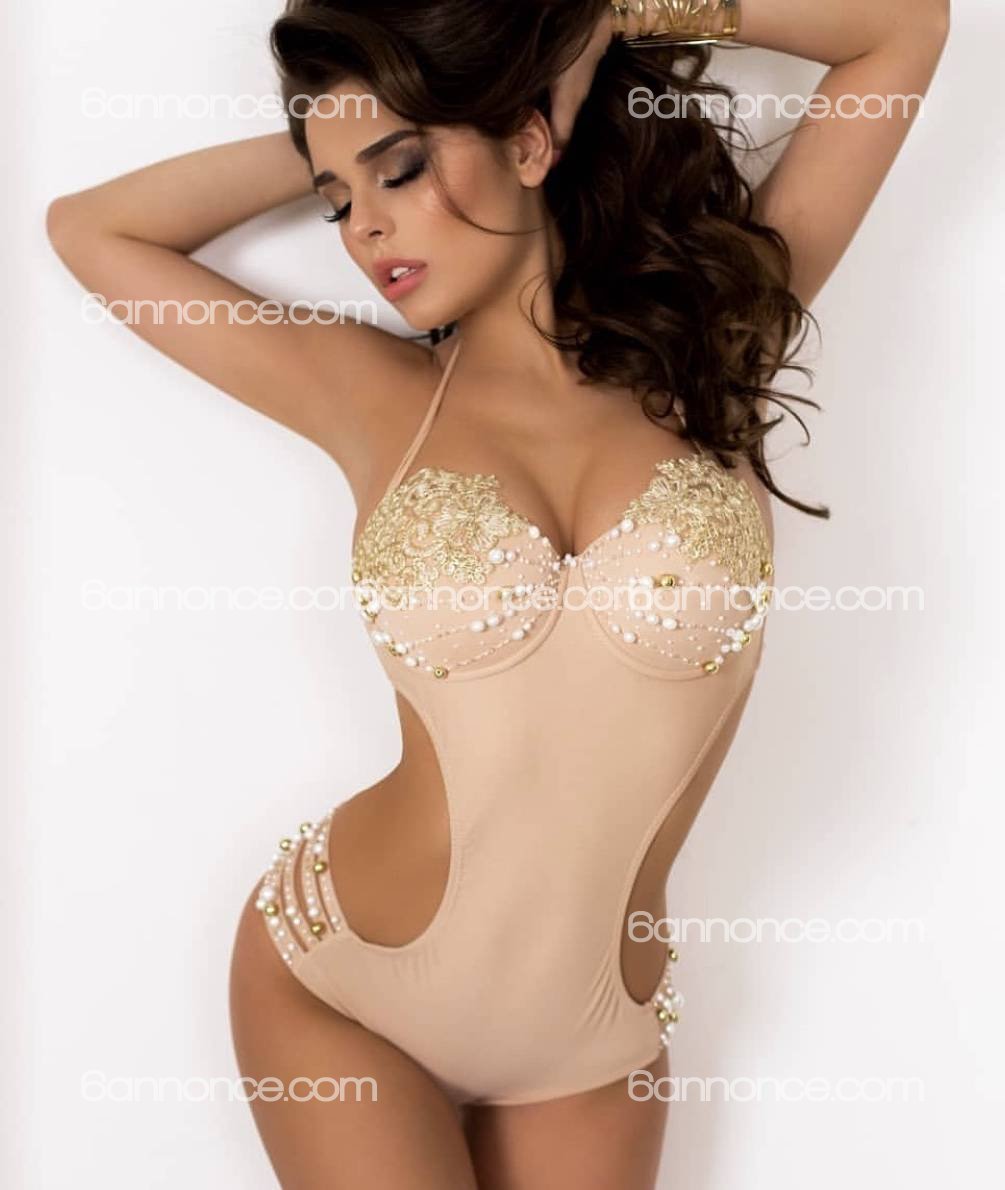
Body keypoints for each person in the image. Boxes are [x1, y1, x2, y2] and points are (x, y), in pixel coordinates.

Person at [45, 1, 950, 1185]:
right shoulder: (369, 394)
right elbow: (91, 230)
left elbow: (903, 30)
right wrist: (351, 129)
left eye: (399, 172)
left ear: (529, 141)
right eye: (335, 202)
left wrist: (600, 20)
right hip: (343, 984)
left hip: (590, 1042)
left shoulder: (713, 351)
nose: (365, 228)